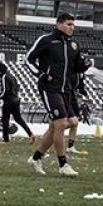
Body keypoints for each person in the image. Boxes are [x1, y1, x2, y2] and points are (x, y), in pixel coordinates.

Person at [25, 12, 91, 177]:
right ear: (59, 24)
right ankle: (63, 164)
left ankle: (36, 157)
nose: (72, 28)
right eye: (69, 24)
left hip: (66, 90)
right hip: (49, 88)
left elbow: (76, 67)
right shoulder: (46, 40)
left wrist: (84, 65)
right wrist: (41, 74)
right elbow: (28, 59)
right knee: (60, 124)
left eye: (73, 25)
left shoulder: (74, 45)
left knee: (68, 123)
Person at [0, 63, 35, 144]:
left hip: (8, 101)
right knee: (18, 119)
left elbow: (5, 91)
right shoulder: (12, 76)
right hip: (16, 100)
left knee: (5, 120)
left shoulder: (4, 77)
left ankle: (5, 140)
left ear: (0, 71)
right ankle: (30, 134)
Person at [65, 73, 88, 154]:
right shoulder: (69, 66)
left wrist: (83, 90)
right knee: (70, 122)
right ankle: (54, 131)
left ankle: (70, 146)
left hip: (72, 96)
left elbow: (79, 83)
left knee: (76, 122)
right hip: (64, 95)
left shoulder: (79, 71)